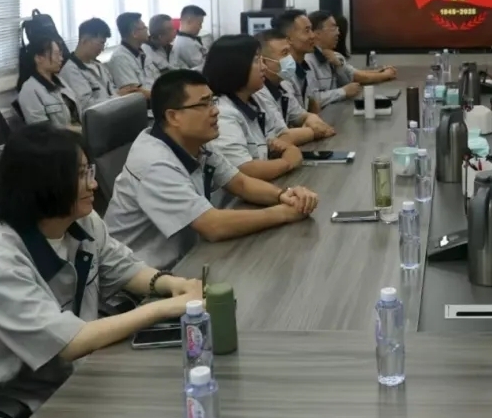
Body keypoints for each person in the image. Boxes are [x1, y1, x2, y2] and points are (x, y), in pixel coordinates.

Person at [0, 123, 202, 410]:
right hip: (24, 405)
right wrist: (163, 308)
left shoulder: (81, 220)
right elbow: (67, 343)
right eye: (80, 175)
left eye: (90, 171)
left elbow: (123, 267)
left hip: (77, 374)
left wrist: (172, 284)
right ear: (43, 183)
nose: (93, 184)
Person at [104, 70, 318, 269]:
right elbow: (213, 226)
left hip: (188, 258)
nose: (215, 111)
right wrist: (284, 213)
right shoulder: (154, 163)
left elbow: (241, 183)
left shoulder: (194, 143)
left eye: (213, 101)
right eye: (204, 104)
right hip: (142, 278)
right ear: (173, 116)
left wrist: (285, 196)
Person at [201, 34, 314, 182]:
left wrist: (287, 148)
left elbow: (283, 136)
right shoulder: (222, 113)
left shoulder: (257, 98)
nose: (264, 67)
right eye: (256, 61)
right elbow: (245, 170)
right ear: (235, 67)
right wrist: (287, 162)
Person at [256, 28, 334, 139]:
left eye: (289, 52)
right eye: (284, 53)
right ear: (263, 62)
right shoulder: (260, 93)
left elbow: (302, 115)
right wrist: (314, 131)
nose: (290, 58)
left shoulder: (284, 86)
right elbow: (281, 137)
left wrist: (311, 120)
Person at [305, 10, 396, 105]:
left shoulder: (333, 56)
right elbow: (312, 100)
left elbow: (348, 81)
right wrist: (343, 92)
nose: (338, 33)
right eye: (333, 28)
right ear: (318, 34)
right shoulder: (308, 60)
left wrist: (338, 66)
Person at [17, 37, 81, 132]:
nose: (61, 59)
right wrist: (78, 130)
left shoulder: (59, 81)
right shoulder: (29, 90)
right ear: (39, 58)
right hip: (61, 139)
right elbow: (42, 130)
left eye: (60, 54)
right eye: (56, 55)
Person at [59, 18, 121, 110]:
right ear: (84, 40)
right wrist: (118, 97)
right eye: (101, 43)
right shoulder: (71, 70)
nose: (102, 49)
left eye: (104, 44)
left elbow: (113, 90)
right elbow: (88, 107)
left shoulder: (99, 65)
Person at [273, 9, 318, 113]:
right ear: (288, 39)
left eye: (311, 30)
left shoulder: (305, 66)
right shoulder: (284, 73)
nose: (313, 35)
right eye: (307, 31)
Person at [107, 12, 153, 96]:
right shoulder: (120, 58)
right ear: (134, 33)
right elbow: (134, 92)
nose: (147, 30)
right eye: (144, 28)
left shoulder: (142, 51)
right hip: (147, 101)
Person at [172, 5, 207, 70]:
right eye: (200, 23)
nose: (201, 27)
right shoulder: (184, 43)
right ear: (189, 21)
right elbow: (204, 66)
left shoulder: (188, 39)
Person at [143, 13, 175, 82]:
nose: (174, 31)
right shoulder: (145, 52)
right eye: (170, 29)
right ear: (160, 36)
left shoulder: (170, 47)